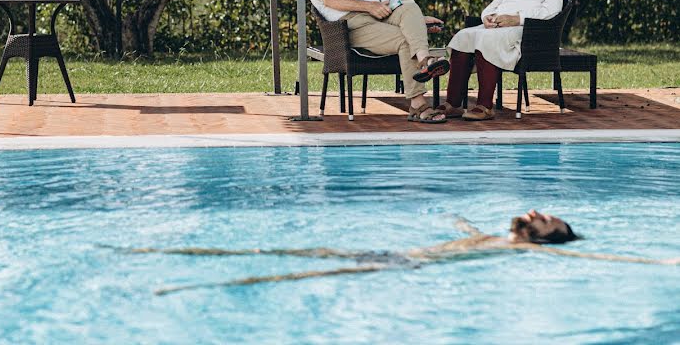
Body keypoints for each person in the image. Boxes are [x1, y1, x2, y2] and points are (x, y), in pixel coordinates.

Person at [115, 211, 680, 295]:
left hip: (405, 264)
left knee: (297, 271)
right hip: (394, 249)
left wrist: (657, 264)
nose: (534, 211)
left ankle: (191, 285)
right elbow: (463, 229)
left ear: (548, 237)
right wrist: (457, 219)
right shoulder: (496, 235)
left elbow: (590, 260)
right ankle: (167, 253)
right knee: (284, 247)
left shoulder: (529, 253)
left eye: (544, 218)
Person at [305, 0, 449, 123]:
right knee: (405, 41)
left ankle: (425, 60)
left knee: (408, 4)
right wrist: (369, 7)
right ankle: (418, 104)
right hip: (351, 26)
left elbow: (387, 4)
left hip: (380, 16)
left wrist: (418, 21)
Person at [436, 0, 565, 121]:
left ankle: (485, 106)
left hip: (530, 31)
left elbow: (552, 11)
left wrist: (517, 18)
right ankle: (453, 103)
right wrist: (487, 17)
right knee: (462, 36)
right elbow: (493, 6)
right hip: (500, 26)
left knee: (487, 40)